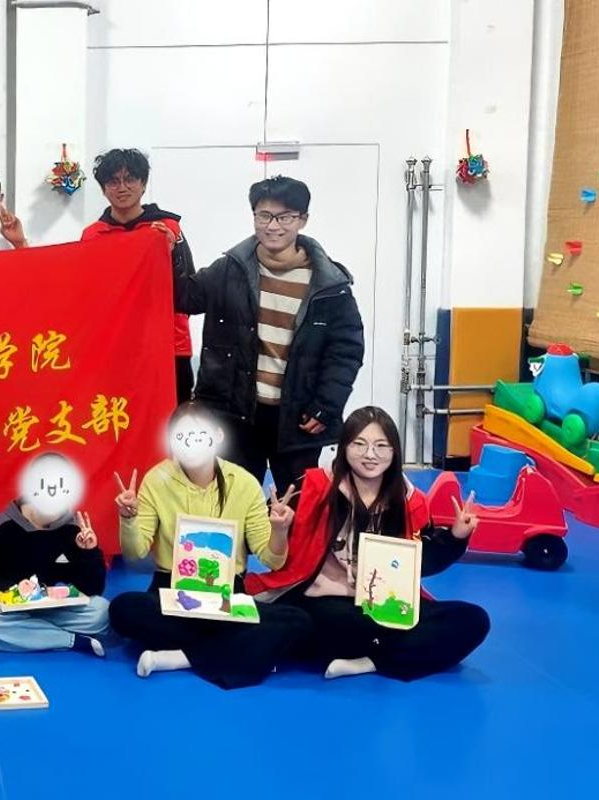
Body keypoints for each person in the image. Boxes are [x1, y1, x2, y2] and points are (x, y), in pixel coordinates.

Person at [247, 406, 488, 681]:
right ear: (343, 447)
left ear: (394, 451)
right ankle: (391, 651)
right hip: (323, 600)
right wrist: (280, 527)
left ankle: (370, 661)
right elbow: (272, 550)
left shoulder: (410, 501)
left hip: (385, 602)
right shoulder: (314, 487)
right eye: (359, 444)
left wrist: (455, 536)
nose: (370, 454)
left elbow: (420, 563)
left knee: (473, 620)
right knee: (321, 622)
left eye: (381, 446)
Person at [173, 175, 364, 493]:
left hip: (298, 417)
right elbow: (184, 297)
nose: (273, 226)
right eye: (264, 216)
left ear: (302, 219)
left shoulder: (329, 285)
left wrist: (325, 406)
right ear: (254, 217)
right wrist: (173, 247)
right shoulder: (229, 270)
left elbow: (346, 351)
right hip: (234, 415)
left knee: (296, 503)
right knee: (230, 500)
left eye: (284, 217)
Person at [107, 404, 311, 688]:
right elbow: (135, 552)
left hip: (227, 593)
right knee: (123, 609)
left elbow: (272, 560)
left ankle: (182, 656)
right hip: (171, 590)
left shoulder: (244, 482)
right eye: (182, 436)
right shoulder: (157, 479)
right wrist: (128, 518)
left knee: (298, 621)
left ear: (217, 436)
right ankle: (235, 649)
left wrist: (279, 530)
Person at [0, 453, 110, 655]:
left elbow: (92, 589)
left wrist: (89, 553)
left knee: (102, 611)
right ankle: (71, 640)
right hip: (5, 610)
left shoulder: (74, 530)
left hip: (53, 609)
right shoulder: (0, 525)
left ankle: (32, 633)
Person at [81, 149, 194, 404]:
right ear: (103, 189)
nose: (122, 187)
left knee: (173, 420)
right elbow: (86, 293)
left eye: (130, 179)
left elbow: (189, 289)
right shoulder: (93, 235)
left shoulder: (167, 228)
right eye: (113, 181)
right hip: (114, 346)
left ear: (143, 184)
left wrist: (172, 255)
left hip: (168, 345)